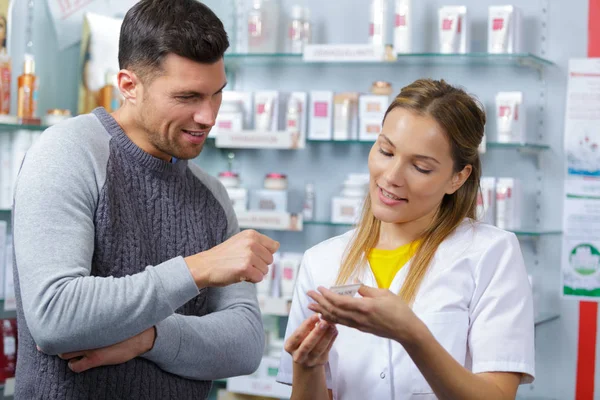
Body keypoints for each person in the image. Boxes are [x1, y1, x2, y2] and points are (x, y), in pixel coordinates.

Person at [12, 1, 278, 399]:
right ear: (129, 86)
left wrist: (150, 338)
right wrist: (198, 269)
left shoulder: (211, 196)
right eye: (187, 96)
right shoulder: (68, 152)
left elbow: (245, 343)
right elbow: (55, 315)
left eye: (216, 94)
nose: (208, 116)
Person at [277, 79, 535, 400]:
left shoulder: (491, 253)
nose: (391, 176)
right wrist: (308, 365)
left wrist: (412, 335)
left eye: (421, 167)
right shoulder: (322, 261)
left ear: (458, 177)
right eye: (386, 151)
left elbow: (497, 396)